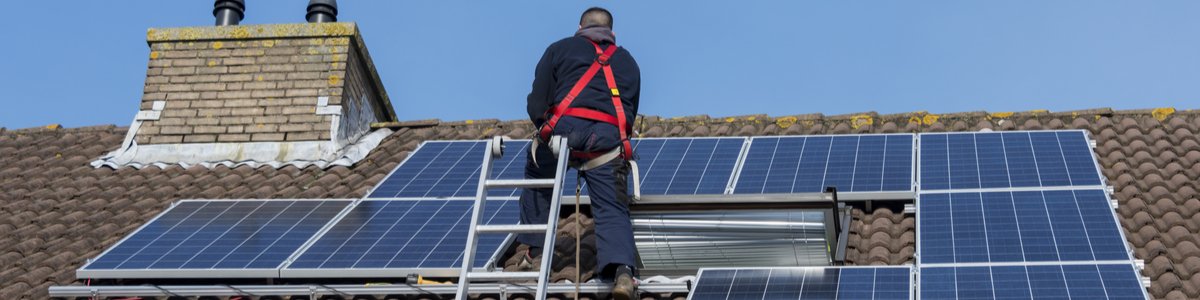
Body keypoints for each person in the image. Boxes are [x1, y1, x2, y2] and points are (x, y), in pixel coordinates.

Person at [518, 6, 642, 299]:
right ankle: (622, 273)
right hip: (607, 142)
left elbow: (537, 103)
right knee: (612, 206)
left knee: (539, 173)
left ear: (579, 27)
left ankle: (535, 253)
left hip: (563, 133)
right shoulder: (628, 62)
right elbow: (629, 111)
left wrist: (544, 127)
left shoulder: (559, 49)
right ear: (612, 33)